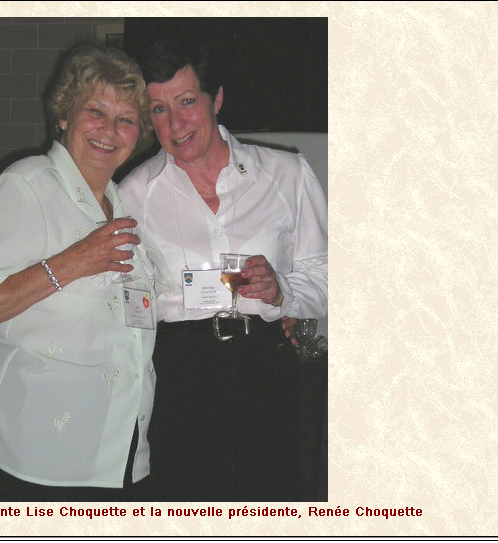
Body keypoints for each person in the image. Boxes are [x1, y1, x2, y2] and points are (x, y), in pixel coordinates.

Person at [118, 37, 328, 501]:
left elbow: (328, 280)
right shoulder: (133, 194)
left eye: (187, 102)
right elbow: (128, 300)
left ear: (216, 99)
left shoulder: (287, 174)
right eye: (158, 109)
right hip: (180, 372)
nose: (175, 124)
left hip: (265, 365)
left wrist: (281, 292)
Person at [0, 43, 157, 501]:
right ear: (65, 116)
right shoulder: (26, 186)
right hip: (41, 451)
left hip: (116, 445)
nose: (109, 130)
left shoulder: (121, 203)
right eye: (96, 112)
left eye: (126, 119)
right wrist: (71, 263)